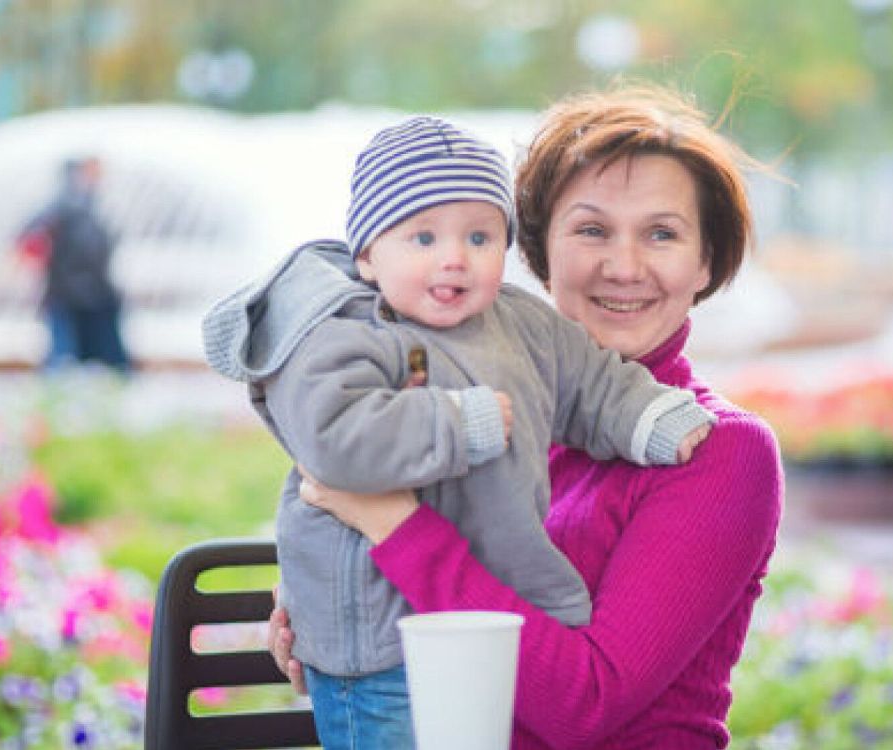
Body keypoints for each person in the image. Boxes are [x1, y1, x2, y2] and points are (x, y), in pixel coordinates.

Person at [271, 85, 785, 749]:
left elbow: (586, 705)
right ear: (538, 254)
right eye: (592, 230)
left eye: (662, 234)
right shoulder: (479, 413)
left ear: (706, 262)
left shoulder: (719, 452)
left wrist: (393, 525)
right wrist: (337, 613)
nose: (623, 267)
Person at [18, 155, 131, 373]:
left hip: (88, 294)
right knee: (70, 359)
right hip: (73, 295)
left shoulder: (86, 204)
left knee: (75, 360)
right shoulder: (65, 205)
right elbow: (31, 239)